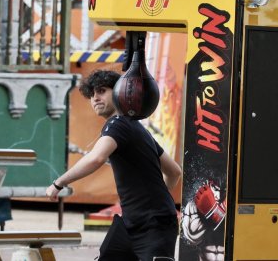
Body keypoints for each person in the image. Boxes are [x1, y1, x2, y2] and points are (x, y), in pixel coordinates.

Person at [46, 70, 182, 261]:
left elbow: (96, 158)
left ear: (119, 92)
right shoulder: (135, 127)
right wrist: (159, 199)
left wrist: (59, 183)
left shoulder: (118, 124)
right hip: (131, 222)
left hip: (154, 225)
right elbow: (174, 172)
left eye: (101, 91)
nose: (95, 98)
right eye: (92, 95)